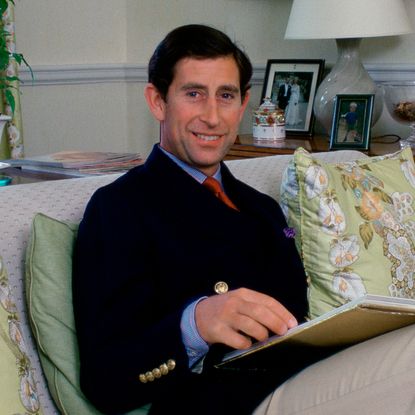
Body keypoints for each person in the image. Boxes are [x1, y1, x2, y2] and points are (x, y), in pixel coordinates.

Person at [72, 24, 316, 415]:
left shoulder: (263, 208)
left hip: (309, 379)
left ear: (243, 104)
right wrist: (194, 326)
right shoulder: (119, 208)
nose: (212, 117)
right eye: (193, 94)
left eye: (226, 96)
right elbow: (105, 379)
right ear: (157, 101)